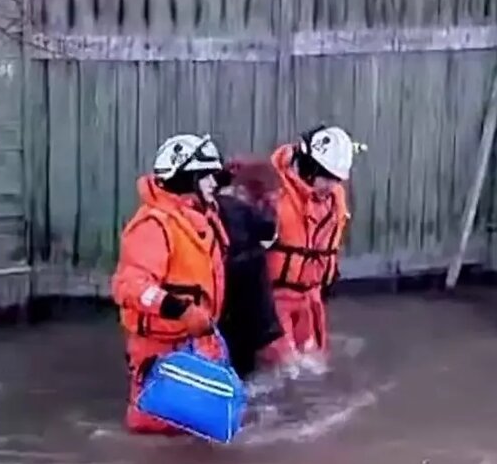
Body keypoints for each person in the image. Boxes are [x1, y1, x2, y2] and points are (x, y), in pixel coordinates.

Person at [110, 133, 230, 434]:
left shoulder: (200, 220)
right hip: (160, 351)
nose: (214, 183)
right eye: (207, 177)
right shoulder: (154, 226)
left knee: (201, 431)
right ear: (188, 179)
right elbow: (130, 287)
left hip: (198, 343)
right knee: (156, 430)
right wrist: (180, 310)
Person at [263, 125, 357, 365]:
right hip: (274, 300)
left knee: (315, 367)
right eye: (326, 177)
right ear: (308, 166)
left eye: (336, 179)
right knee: (281, 370)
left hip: (311, 297)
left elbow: (329, 243)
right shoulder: (271, 195)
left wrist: (329, 274)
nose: (331, 185)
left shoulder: (334, 198)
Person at [216, 158, 285, 379]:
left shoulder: (212, 208)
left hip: (224, 299)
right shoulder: (247, 212)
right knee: (244, 365)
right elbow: (269, 235)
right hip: (246, 300)